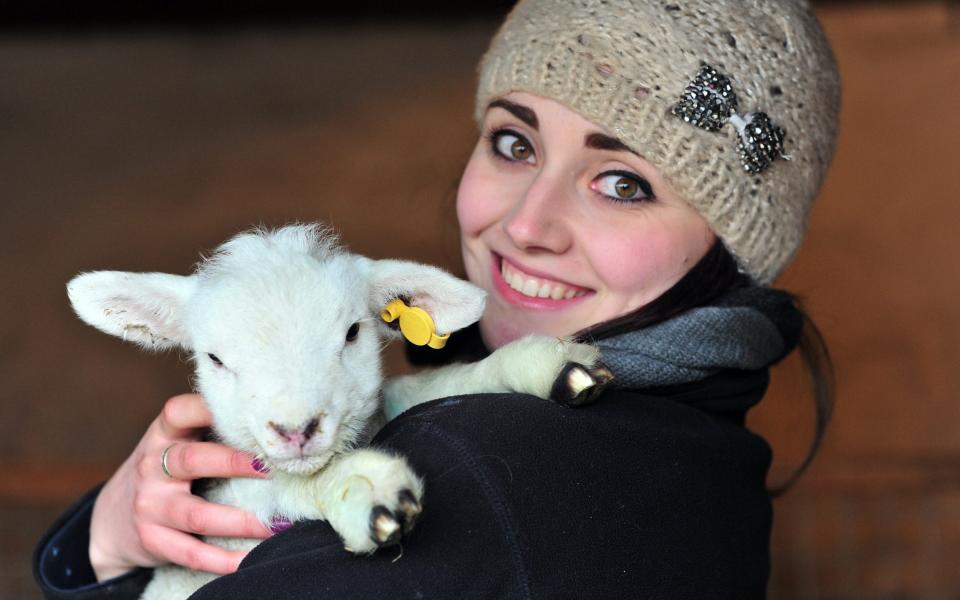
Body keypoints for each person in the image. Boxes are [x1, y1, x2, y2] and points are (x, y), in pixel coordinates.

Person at [34, 0, 840, 597]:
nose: (527, 225)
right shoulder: (714, 463)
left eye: (622, 183)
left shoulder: (473, 475)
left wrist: (98, 565)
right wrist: (109, 536)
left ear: (729, 243)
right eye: (514, 143)